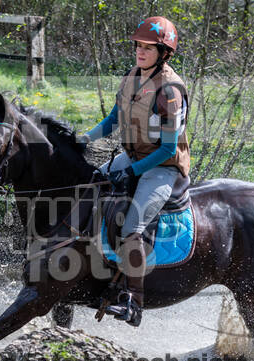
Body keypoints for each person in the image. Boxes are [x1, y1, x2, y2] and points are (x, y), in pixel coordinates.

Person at [78, 16, 190, 327]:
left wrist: (132, 172)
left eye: (148, 48)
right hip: (133, 156)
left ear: (164, 52)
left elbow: (167, 150)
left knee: (131, 228)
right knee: (89, 185)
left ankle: (133, 303)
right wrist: (84, 139)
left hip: (162, 168)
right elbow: (113, 119)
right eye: (138, 46)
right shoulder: (132, 76)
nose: (140, 52)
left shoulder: (170, 92)